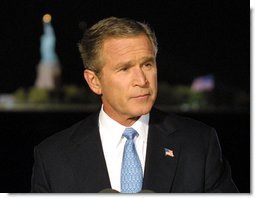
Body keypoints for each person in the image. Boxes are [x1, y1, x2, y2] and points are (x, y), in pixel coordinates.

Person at [31, 16, 239, 193]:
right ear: (94, 81)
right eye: (125, 69)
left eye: (147, 64)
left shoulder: (199, 144)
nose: (142, 79)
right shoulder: (53, 157)